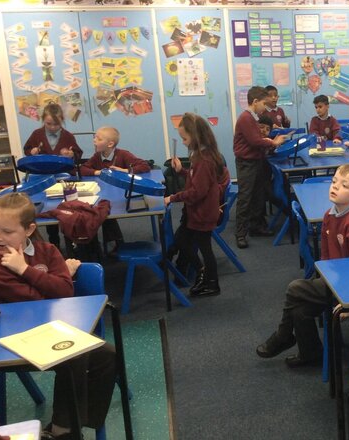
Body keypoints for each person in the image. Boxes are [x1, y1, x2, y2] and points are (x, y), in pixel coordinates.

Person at [0, 192, 115, 440]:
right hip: (11, 338)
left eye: (7, 232)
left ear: (29, 229)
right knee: (74, 356)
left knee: (107, 354)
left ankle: (76, 424)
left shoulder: (47, 251)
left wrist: (24, 269)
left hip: (50, 330)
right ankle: (66, 431)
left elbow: (65, 291)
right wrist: (47, 281)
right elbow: (33, 300)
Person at [256, 164, 349, 367]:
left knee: (295, 288)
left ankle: (283, 335)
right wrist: (322, 278)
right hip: (334, 281)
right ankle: (310, 353)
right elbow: (325, 256)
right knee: (299, 310)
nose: (336, 187)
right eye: (334, 182)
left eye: (344, 185)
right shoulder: (330, 216)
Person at [165, 113, 230, 297]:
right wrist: (182, 171)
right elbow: (199, 182)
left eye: (185, 138)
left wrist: (172, 197)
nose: (183, 142)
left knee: (204, 248)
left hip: (203, 213)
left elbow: (197, 192)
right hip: (198, 211)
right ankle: (203, 273)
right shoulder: (201, 156)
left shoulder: (204, 160)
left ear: (196, 136)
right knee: (182, 241)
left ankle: (212, 283)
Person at [79, 126, 151, 255]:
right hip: (104, 194)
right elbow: (83, 169)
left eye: (98, 138)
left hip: (120, 197)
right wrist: (98, 172)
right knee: (98, 212)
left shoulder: (123, 154)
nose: (94, 140)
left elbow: (144, 166)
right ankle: (103, 245)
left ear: (110, 144)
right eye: (94, 137)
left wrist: (125, 171)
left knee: (106, 213)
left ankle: (116, 242)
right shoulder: (97, 156)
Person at [23, 103, 84, 251]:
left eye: (56, 124)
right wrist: (32, 151)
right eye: (48, 123)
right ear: (43, 120)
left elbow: (77, 154)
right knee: (49, 207)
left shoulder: (68, 136)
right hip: (44, 176)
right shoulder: (37, 134)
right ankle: (54, 241)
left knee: (64, 208)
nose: (52, 127)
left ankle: (69, 239)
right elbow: (27, 149)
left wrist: (71, 154)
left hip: (64, 177)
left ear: (62, 121)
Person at [233, 86, 288, 249]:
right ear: (255, 101)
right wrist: (274, 142)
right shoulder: (246, 118)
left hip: (255, 161)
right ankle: (240, 234)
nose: (265, 107)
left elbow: (258, 140)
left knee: (258, 195)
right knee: (245, 198)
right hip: (246, 164)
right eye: (264, 103)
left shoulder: (253, 117)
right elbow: (255, 141)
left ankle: (256, 226)